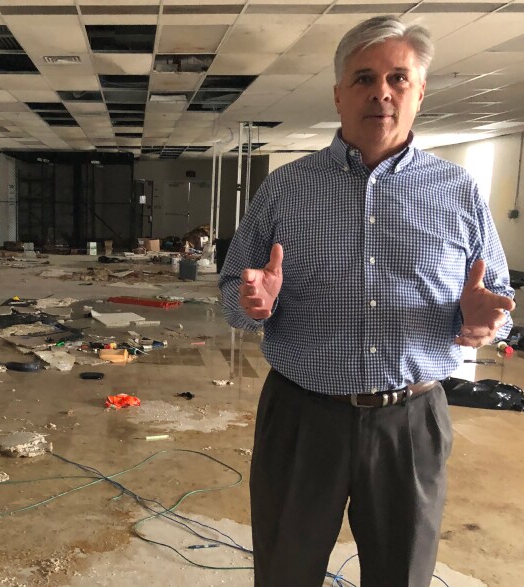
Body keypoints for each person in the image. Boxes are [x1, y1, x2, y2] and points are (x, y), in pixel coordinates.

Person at [219, 15, 515, 587]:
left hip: (412, 421)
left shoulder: (459, 192)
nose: (381, 91)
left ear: (420, 92)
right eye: (363, 78)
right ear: (338, 93)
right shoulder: (285, 187)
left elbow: (494, 300)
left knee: (403, 574)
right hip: (302, 418)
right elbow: (234, 290)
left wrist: (487, 324)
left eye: (398, 78)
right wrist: (251, 301)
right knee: (284, 570)